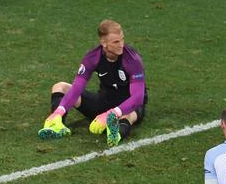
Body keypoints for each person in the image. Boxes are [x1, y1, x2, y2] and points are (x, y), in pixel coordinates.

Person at [38, 19, 148, 147]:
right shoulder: (93, 57)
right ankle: (57, 125)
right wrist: (59, 111)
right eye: (116, 42)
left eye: (122, 39)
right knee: (60, 86)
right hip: (104, 103)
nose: (121, 45)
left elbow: (138, 98)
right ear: (104, 43)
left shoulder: (133, 60)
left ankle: (116, 134)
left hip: (128, 106)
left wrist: (112, 113)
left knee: (128, 116)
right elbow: (77, 88)